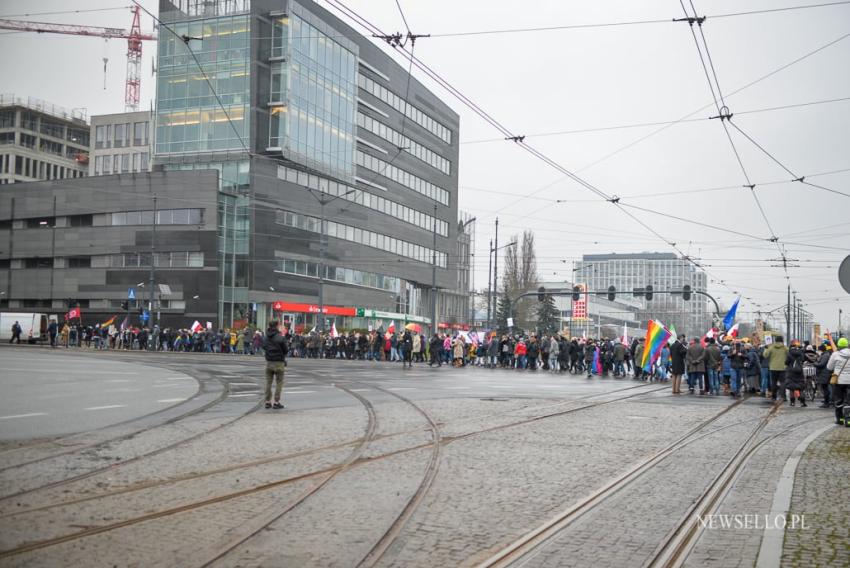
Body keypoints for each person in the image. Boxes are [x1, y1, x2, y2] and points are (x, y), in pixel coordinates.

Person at [262, 320, 289, 409]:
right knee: (279, 383)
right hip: (279, 362)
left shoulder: (266, 337)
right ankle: (276, 402)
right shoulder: (280, 337)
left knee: (268, 382)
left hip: (269, 362)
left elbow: (264, 347)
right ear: (277, 326)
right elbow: (286, 350)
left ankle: (267, 401)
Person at [826, 336, 850, 425]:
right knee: (849, 401)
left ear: (839, 345)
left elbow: (829, 367)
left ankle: (840, 419)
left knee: (839, 400)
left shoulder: (835, 354)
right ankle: (848, 420)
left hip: (839, 381)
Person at [764, 336, 789, 401]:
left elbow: (765, 355)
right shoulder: (785, 348)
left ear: (775, 340)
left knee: (773, 382)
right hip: (783, 367)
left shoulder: (771, 347)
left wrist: (766, 348)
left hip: (773, 368)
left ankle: (774, 396)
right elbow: (789, 355)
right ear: (782, 340)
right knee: (783, 382)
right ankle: (783, 397)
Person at [784, 341, 807, 407]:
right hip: (799, 372)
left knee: (792, 387)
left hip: (791, 372)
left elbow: (786, 362)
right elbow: (803, 360)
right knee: (801, 387)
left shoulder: (789, 353)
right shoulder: (800, 353)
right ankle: (802, 402)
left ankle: (792, 402)